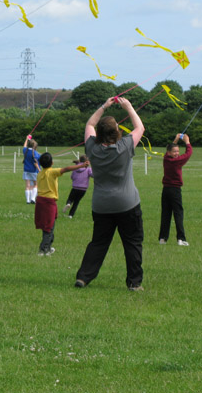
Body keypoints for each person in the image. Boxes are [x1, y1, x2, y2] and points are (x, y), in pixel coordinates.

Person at [75, 96, 145, 291]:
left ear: (99, 134)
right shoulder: (125, 146)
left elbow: (90, 123)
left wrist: (104, 106)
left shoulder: (92, 147)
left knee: (98, 243)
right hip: (127, 204)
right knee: (132, 243)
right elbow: (140, 128)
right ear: (117, 131)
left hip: (101, 205)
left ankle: (83, 277)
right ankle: (134, 283)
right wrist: (129, 106)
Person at [34, 153, 88, 256]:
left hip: (40, 202)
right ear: (52, 163)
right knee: (49, 227)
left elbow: (45, 172)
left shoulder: (40, 174)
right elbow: (66, 168)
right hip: (49, 203)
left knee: (49, 226)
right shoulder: (52, 172)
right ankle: (43, 250)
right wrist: (81, 165)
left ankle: (48, 247)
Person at [159, 133, 193, 246]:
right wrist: (187, 142)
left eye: (178, 151)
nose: (177, 153)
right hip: (175, 191)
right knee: (178, 214)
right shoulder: (176, 161)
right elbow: (188, 154)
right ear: (169, 153)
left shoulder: (166, 158)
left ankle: (162, 238)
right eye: (175, 151)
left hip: (166, 190)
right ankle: (181, 239)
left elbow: (171, 148)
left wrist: (176, 140)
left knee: (166, 214)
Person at [62, 155, 93, 219]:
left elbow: (72, 177)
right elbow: (92, 175)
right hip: (83, 189)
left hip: (75, 187)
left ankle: (68, 204)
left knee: (70, 198)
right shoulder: (88, 169)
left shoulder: (75, 168)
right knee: (76, 202)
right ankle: (71, 215)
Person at [22, 135, 40, 204]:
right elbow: (35, 163)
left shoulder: (25, 151)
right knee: (36, 184)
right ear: (34, 146)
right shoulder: (35, 153)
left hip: (26, 171)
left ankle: (28, 200)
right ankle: (33, 198)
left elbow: (24, 146)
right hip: (34, 171)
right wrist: (39, 170)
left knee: (27, 186)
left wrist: (26, 139)